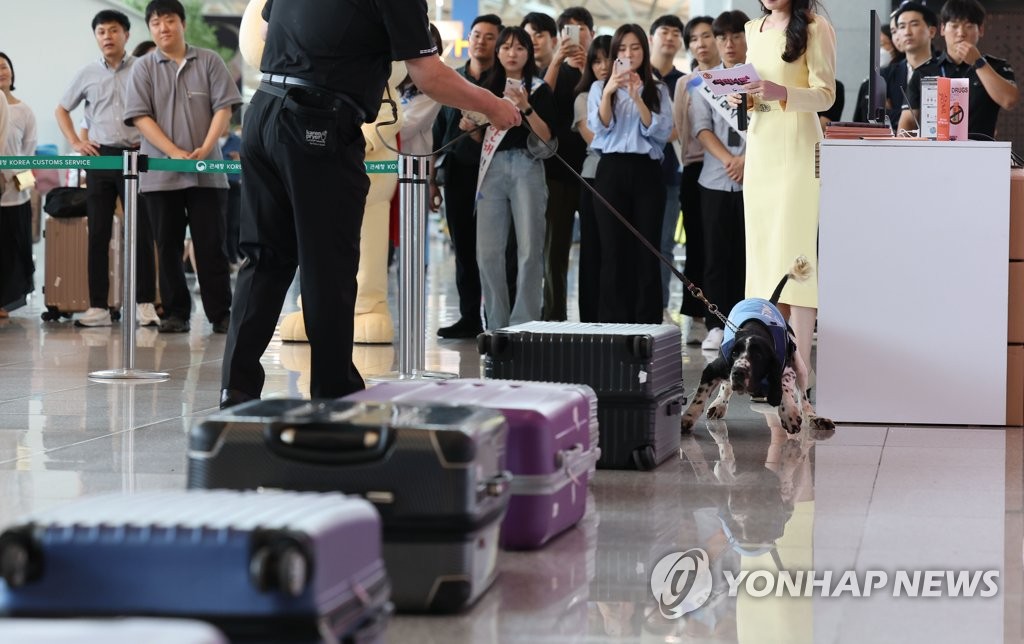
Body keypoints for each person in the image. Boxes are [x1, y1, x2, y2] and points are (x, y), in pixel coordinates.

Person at [220, 0, 519, 407]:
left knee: (264, 257)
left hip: (264, 110)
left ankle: (235, 388)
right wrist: (493, 105)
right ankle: (334, 393)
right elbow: (428, 75)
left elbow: (269, 32)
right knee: (329, 263)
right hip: (318, 120)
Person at [731, 0, 836, 387]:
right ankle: (768, 363)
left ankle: (800, 369)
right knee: (761, 259)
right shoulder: (751, 28)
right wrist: (742, 98)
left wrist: (781, 91)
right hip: (761, 149)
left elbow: (826, 95)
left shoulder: (815, 28)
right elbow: (755, 95)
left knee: (796, 257)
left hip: (798, 151)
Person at [124, 0, 240, 335]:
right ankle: (176, 312)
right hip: (161, 175)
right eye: (156, 22)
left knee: (211, 246)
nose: (163, 28)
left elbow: (224, 109)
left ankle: (221, 313)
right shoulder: (143, 67)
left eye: (169, 20)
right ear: (150, 28)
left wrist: (206, 147)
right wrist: (173, 151)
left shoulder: (209, 60)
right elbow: (140, 117)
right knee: (168, 246)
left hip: (207, 173)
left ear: (182, 23)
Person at [55, 9, 160, 328]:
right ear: (96, 37)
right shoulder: (87, 73)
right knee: (98, 231)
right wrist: (75, 141)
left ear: (126, 35)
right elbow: (62, 109)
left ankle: (144, 304)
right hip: (100, 157)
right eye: (101, 32)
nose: (107, 37)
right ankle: (97, 306)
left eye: (113, 30)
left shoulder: (143, 69)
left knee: (140, 231)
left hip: (136, 155)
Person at [587, 24, 672, 324]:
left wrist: (637, 96)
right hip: (610, 169)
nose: (628, 54)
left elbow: (661, 131)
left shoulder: (658, 88)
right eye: (622, 49)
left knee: (647, 248)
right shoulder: (599, 88)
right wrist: (610, 90)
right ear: (614, 55)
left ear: (644, 51)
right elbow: (600, 127)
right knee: (612, 250)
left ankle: (648, 322)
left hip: (646, 170)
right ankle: (614, 323)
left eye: (635, 48)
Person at [476, 26, 556, 330]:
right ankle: (496, 325)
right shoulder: (485, 86)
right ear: (497, 52)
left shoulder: (539, 88)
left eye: (520, 48)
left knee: (530, 248)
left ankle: (525, 323)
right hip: (491, 168)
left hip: (528, 166)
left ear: (529, 53)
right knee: (488, 251)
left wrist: (526, 107)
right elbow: (475, 136)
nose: (512, 53)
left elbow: (548, 140)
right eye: (506, 47)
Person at [430, 14, 503, 339]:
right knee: (463, 247)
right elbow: (436, 132)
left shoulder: (503, 85)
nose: (481, 41)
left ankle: (497, 316)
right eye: (476, 34)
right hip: (458, 173)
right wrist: (431, 178)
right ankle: (469, 315)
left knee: (494, 249)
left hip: (494, 175)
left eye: (489, 36)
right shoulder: (453, 80)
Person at [689, 9, 750, 352]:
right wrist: (730, 160)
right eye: (722, 37)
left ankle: (744, 321)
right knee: (714, 256)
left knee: (746, 254)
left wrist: (747, 160)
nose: (729, 44)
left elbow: (768, 129)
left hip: (753, 179)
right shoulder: (704, 83)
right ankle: (715, 323)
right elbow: (701, 128)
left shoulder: (762, 78)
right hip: (714, 179)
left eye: (736, 36)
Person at [537, 6, 593, 321]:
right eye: (569, 30)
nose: (576, 35)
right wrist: (558, 60)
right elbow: (543, 101)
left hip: (592, 173)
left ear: (592, 33)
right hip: (557, 172)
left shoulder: (600, 67)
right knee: (554, 250)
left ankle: (592, 315)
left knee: (592, 249)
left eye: (581, 28)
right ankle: (553, 314)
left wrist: (589, 69)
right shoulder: (549, 69)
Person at [899, 0, 1018, 139]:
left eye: (969, 26)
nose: (961, 33)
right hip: (934, 153)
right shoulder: (925, 71)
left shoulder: (995, 67)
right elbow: (907, 122)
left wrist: (978, 62)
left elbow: (1009, 101)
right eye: (954, 26)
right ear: (942, 29)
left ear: (981, 30)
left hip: (980, 153)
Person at [672, 16, 721, 344]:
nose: (701, 43)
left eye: (707, 36)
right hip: (694, 168)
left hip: (728, 170)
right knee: (697, 245)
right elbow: (680, 126)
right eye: (694, 39)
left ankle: (721, 314)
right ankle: (696, 313)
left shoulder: (734, 77)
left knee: (721, 245)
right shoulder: (686, 83)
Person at [648, 15, 686, 324]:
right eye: (664, 31)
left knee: (664, 244)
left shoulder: (684, 82)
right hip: (636, 172)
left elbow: (681, 129)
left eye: (676, 33)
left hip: (671, 174)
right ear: (651, 38)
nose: (670, 37)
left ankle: (659, 306)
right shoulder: (635, 77)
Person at [573, 35, 611, 322]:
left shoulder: (633, 92)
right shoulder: (584, 98)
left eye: (609, 58)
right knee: (592, 251)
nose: (603, 66)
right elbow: (596, 139)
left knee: (615, 251)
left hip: (624, 179)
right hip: (593, 177)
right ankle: (590, 317)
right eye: (596, 61)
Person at [0, 52, 37, 319]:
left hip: (16, 190)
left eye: (4, 66)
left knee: (13, 248)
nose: (1, 71)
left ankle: (7, 301)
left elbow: (30, 153)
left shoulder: (24, 111)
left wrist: (21, 182)